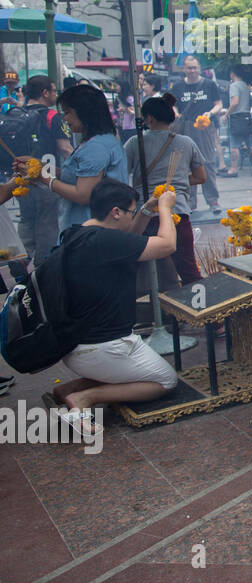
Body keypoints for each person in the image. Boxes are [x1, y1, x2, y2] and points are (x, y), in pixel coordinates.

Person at [45, 178, 181, 439]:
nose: (132, 216)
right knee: (165, 380)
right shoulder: (104, 242)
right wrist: (165, 207)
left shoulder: (77, 233)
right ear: (115, 212)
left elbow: (127, 238)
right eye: (130, 211)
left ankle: (68, 389)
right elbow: (167, 245)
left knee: (134, 371)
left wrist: (144, 211)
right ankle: (85, 397)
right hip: (104, 347)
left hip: (75, 344)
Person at [124, 93, 206, 285]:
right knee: (189, 272)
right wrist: (178, 184)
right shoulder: (186, 142)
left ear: (149, 118)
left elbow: (122, 175)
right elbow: (201, 177)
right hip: (178, 213)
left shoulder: (135, 143)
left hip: (146, 216)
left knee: (140, 270)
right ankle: (198, 310)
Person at [25, 84, 129, 234]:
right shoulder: (98, 141)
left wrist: (44, 178)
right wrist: (41, 167)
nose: (65, 119)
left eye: (68, 113)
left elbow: (83, 195)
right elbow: (77, 175)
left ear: (85, 112)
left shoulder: (96, 147)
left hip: (90, 230)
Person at [8, 75, 73, 270]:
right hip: (46, 178)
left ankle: (22, 261)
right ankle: (43, 267)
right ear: (45, 93)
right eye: (53, 91)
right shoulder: (53, 117)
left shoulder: (16, 114)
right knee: (47, 223)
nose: (55, 95)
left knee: (26, 220)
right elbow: (65, 148)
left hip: (20, 180)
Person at [170, 55, 224, 214]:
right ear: (184, 69)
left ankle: (213, 201)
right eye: (189, 68)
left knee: (207, 163)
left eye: (195, 68)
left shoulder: (209, 84)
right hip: (185, 128)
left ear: (199, 68)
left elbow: (219, 104)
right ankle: (190, 203)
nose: (192, 71)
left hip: (204, 127)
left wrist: (210, 113)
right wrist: (176, 113)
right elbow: (172, 105)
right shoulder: (177, 87)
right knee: (186, 165)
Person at [219, 65, 252, 176]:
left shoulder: (234, 86)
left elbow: (235, 102)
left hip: (237, 118)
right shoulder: (245, 86)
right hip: (247, 116)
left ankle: (233, 169)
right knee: (251, 143)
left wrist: (226, 114)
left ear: (232, 74)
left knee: (234, 145)